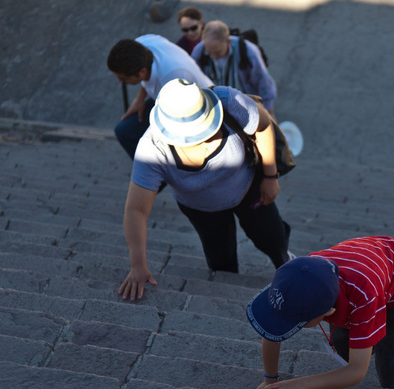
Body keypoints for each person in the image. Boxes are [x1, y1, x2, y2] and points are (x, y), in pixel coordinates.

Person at [118, 78, 291, 300]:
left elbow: (264, 124)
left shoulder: (229, 101)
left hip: (248, 188)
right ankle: (228, 295)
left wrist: (270, 176)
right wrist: (138, 265)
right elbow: (136, 210)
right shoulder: (152, 149)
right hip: (201, 208)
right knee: (220, 258)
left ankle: (285, 264)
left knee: (273, 237)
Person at [246, 236, 394, 389]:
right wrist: (270, 380)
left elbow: (357, 372)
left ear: (328, 313)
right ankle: (370, 337)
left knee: (393, 371)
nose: (287, 324)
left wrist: (303, 383)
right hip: (364, 269)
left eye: (297, 321)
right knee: (346, 350)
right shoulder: (296, 277)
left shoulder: (364, 297)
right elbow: (272, 330)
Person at [106, 35, 212, 159]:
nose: (121, 82)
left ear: (142, 72)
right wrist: (139, 98)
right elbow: (147, 78)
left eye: (124, 78)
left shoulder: (173, 80)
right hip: (167, 99)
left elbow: (182, 126)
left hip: (196, 111)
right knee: (123, 131)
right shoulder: (142, 44)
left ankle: (159, 173)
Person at [192, 21, 278, 117]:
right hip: (218, 106)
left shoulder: (249, 52)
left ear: (228, 42)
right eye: (209, 52)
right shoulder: (199, 53)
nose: (213, 57)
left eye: (217, 53)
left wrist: (268, 112)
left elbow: (263, 83)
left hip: (247, 104)